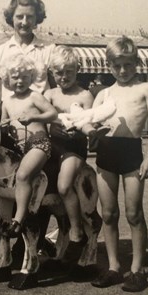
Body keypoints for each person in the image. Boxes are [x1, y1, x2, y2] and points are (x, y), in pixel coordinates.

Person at [0, 0, 56, 265]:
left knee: (38, 185)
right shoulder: (0, 52)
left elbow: (51, 93)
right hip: (8, 128)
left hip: (38, 129)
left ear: (37, 18)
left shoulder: (47, 51)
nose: (24, 21)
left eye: (30, 16)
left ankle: (37, 243)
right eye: (19, 16)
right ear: (11, 18)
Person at [90, 36, 148, 292]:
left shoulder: (145, 89)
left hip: (132, 153)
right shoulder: (104, 93)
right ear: (108, 65)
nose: (123, 71)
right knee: (108, 214)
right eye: (117, 65)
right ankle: (113, 267)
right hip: (107, 154)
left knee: (134, 213)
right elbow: (89, 123)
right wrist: (91, 132)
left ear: (137, 63)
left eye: (128, 65)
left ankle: (137, 270)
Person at [44, 46, 95, 262]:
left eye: (69, 72)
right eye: (59, 73)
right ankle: (42, 240)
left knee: (65, 185)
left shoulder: (84, 95)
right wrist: (53, 124)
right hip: (53, 148)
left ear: (77, 71)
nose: (64, 77)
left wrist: (78, 127)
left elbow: (90, 123)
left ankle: (77, 232)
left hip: (73, 149)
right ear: (52, 73)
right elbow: (42, 121)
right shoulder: (49, 94)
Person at [0, 53, 57, 236]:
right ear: (8, 78)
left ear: (31, 77)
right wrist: (5, 125)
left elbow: (53, 114)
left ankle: (18, 220)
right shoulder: (6, 101)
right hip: (18, 148)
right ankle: (3, 218)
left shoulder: (34, 96)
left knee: (23, 175)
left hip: (39, 142)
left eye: (25, 77)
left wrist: (34, 116)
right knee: (0, 182)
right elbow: (2, 124)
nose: (20, 81)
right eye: (15, 77)